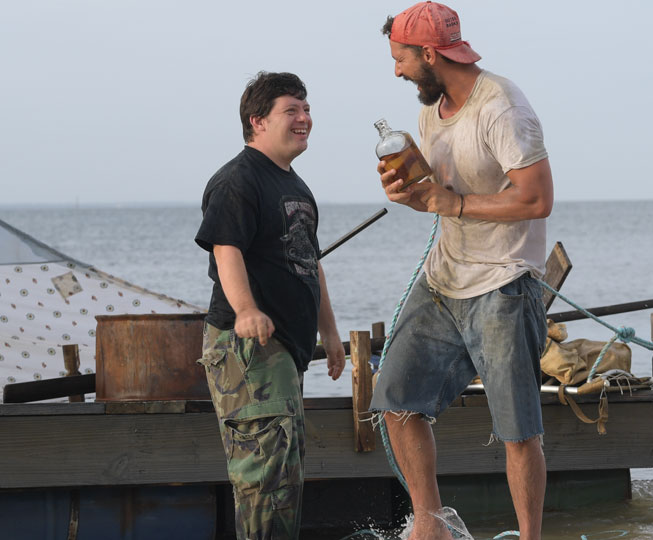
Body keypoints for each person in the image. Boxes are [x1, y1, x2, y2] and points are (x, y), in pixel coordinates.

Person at [369, 3, 554, 539]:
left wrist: (452, 205)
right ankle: (432, 526)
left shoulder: (502, 108)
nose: (397, 71)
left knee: (519, 433)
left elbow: (536, 198)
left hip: (503, 282)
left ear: (429, 54)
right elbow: (437, 195)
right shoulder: (432, 111)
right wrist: (412, 196)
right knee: (395, 398)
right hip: (443, 277)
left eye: (401, 59)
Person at [194, 71, 345, 540]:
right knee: (264, 477)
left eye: (306, 109)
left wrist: (331, 334)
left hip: (284, 352)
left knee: (286, 472)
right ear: (257, 121)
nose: (304, 118)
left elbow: (310, 264)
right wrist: (245, 310)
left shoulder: (296, 187)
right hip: (248, 351)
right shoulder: (238, 180)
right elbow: (226, 249)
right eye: (291, 110)